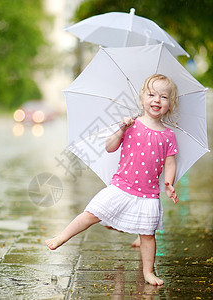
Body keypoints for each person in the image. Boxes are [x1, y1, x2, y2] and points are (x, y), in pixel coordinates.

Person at [45, 74, 180, 286]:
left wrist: (169, 183)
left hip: (148, 195)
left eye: (163, 97)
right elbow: (109, 147)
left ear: (170, 104)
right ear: (142, 98)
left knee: (147, 235)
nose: (156, 100)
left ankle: (148, 271)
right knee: (91, 213)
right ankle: (62, 236)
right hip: (121, 187)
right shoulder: (132, 125)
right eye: (152, 94)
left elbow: (170, 163)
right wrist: (121, 130)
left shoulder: (168, 135)